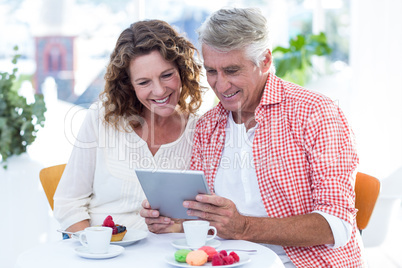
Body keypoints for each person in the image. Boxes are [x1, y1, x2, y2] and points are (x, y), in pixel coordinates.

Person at [141, 7, 365, 267]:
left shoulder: (316, 113)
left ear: (265, 61)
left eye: (233, 70)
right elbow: (206, 217)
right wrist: (174, 222)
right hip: (230, 261)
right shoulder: (207, 126)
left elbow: (336, 225)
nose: (221, 86)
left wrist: (243, 227)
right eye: (212, 71)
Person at [53, 19, 204, 234]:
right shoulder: (101, 118)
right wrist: (95, 249)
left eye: (167, 75)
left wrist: (177, 227)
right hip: (102, 254)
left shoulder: (199, 131)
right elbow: (68, 204)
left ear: (181, 70)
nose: (159, 91)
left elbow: (204, 219)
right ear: (129, 85)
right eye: (144, 82)